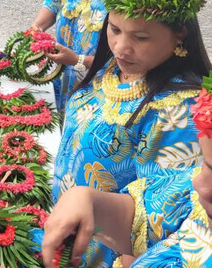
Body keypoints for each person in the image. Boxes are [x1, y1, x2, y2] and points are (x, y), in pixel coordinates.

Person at [50, 0, 210, 266]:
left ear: (180, 35)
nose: (122, 48)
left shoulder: (180, 113)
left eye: (140, 37)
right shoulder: (114, 67)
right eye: (115, 29)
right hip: (68, 236)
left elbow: (162, 216)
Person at [42, 89, 212, 267]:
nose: (198, 184)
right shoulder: (193, 188)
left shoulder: (173, 111)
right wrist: (85, 198)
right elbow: (148, 217)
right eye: (205, 167)